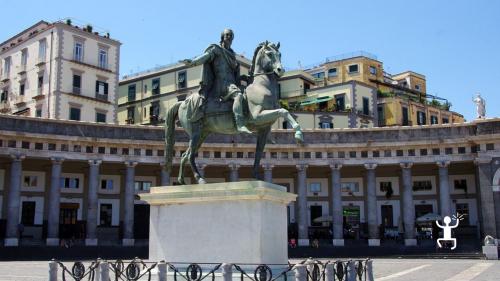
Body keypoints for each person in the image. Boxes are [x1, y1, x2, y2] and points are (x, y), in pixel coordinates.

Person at [182, 28, 252, 134]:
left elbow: (235, 77)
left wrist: (243, 77)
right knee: (238, 96)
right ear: (222, 37)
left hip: (231, 84)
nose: (229, 37)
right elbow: (205, 57)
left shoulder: (233, 56)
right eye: (227, 35)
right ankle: (239, 124)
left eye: (231, 36)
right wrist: (193, 62)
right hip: (221, 84)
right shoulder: (216, 49)